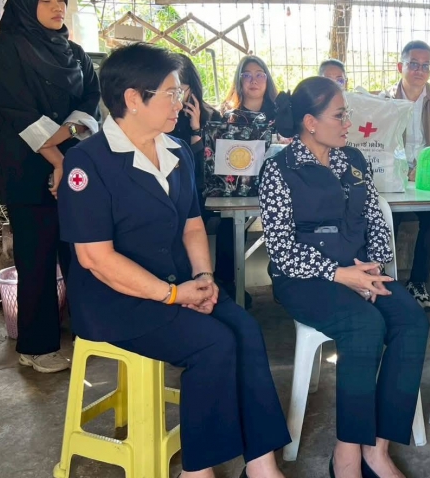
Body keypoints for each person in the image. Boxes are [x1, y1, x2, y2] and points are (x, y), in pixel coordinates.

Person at [58, 43, 290, 478]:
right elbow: (95, 259)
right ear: (133, 98)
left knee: (245, 330)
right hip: (116, 300)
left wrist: (203, 278)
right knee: (213, 343)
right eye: (170, 93)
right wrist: (171, 294)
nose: (180, 102)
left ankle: (262, 464)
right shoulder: (88, 162)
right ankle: (197, 472)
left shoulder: (177, 152)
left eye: (179, 92)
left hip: (180, 283)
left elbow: (193, 226)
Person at [259, 77, 429, 478]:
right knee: (364, 326)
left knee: (412, 320)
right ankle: (347, 454)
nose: (347, 122)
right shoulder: (279, 170)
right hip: (305, 279)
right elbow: (281, 250)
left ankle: (377, 449)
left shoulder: (352, 159)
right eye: (339, 115)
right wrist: (340, 274)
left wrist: (374, 269)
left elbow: (374, 219)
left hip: (360, 271)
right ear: (310, 122)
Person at [0, 0, 101, 373]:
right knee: (36, 257)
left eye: (61, 0)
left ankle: (91, 332)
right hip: (26, 169)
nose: (57, 8)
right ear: (24, 5)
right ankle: (36, 347)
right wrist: (57, 159)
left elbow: (90, 100)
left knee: (81, 252)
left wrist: (68, 143)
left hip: (72, 167)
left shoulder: (75, 53)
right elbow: (16, 108)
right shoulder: (6, 48)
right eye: (45, 0)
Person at [384, 40, 430, 311]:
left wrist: (427, 170)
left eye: (426, 65)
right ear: (400, 66)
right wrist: (403, 171)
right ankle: (385, 281)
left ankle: (418, 282)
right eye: (413, 64)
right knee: (386, 218)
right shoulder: (385, 100)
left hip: (429, 180)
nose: (420, 70)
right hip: (394, 180)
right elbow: (379, 144)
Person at [214, 55, 279, 305]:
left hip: (276, 188)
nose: (254, 80)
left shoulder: (281, 114)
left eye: (260, 74)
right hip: (237, 190)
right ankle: (227, 285)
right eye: (247, 75)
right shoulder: (227, 117)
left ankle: (283, 277)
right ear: (239, 81)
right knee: (228, 224)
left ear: (267, 79)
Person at [168, 55, 221, 204]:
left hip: (201, 195)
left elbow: (205, 172)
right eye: (170, 92)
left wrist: (196, 131)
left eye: (180, 91)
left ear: (191, 88)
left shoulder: (212, 116)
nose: (175, 99)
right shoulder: (163, 116)